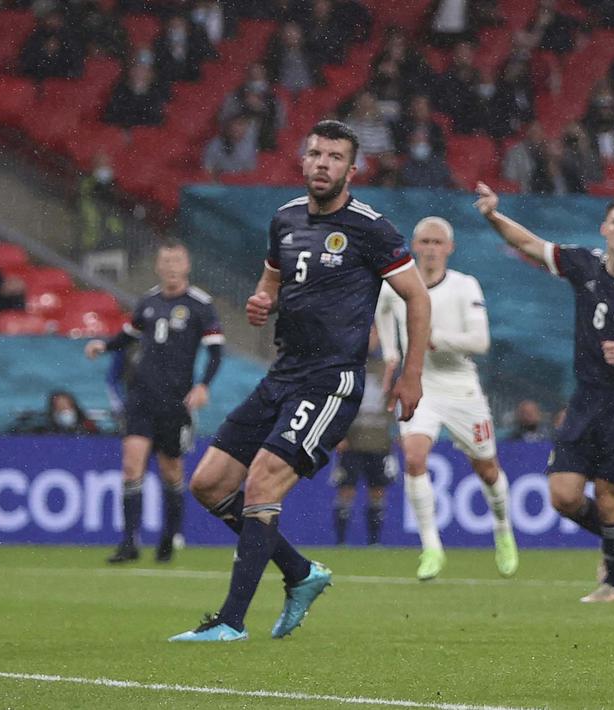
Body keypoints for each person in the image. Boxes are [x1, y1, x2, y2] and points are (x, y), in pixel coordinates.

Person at [168, 121, 430, 642]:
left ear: (351, 171)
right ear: (303, 160)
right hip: (283, 374)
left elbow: (416, 297)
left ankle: (230, 622)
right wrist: (262, 302)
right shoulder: (285, 218)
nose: (322, 164)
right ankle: (299, 573)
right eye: (315, 154)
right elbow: (270, 281)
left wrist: (411, 374)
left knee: (262, 481)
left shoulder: (370, 228)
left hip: (331, 382)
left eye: (334, 157)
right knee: (208, 485)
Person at [474, 182, 614, 603]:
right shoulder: (584, 265)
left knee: (611, 498)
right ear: (604, 228)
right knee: (564, 496)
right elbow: (531, 245)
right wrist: (492, 215)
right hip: (585, 397)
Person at [375, 216, 518, 580]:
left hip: (460, 387)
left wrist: (440, 337)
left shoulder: (464, 286)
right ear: (415, 245)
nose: (431, 249)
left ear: (450, 248)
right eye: (425, 242)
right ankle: (431, 547)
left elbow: (481, 342)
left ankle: (502, 529)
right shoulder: (397, 286)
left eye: (438, 242)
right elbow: (383, 310)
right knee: (414, 458)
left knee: (486, 468)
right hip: (419, 384)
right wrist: (392, 354)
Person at [84, 241, 223, 563]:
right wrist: (103, 347)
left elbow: (216, 351)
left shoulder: (200, 305)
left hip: (176, 402)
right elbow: (128, 336)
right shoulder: (147, 301)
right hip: (142, 397)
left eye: (177, 260)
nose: (171, 266)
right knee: (131, 465)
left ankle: (168, 537)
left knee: (171, 471)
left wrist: (203, 385)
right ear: (158, 266)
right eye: (166, 261)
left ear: (186, 265)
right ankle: (129, 543)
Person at [330, 328, 397, 546]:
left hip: (380, 442)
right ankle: (340, 542)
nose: (370, 339)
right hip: (352, 441)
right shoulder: (349, 364)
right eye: (367, 333)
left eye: (374, 333)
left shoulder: (388, 366)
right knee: (346, 489)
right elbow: (337, 400)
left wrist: (399, 431)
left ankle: (374, 542)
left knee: (377, 490)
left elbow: (396, 401)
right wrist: (337, 434)